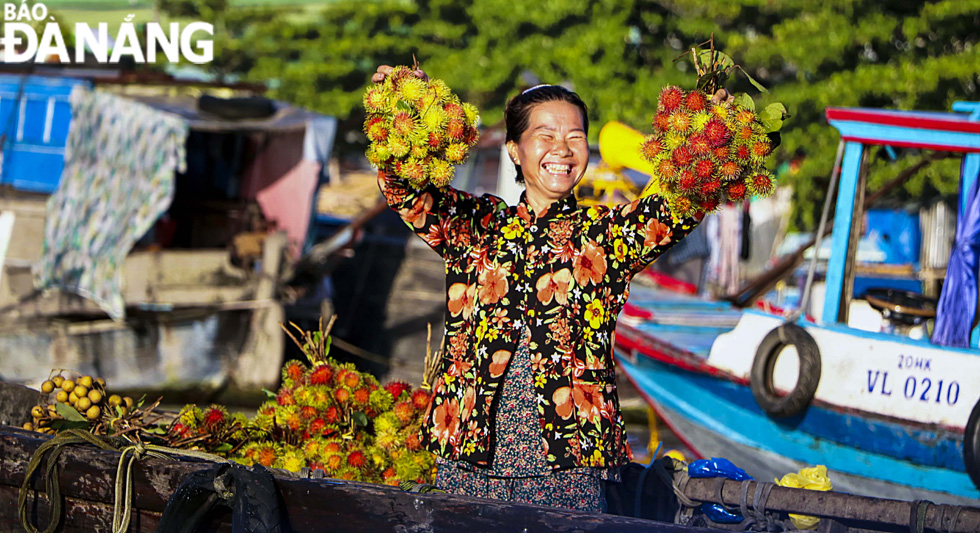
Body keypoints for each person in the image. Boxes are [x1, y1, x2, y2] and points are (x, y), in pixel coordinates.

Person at [373, 65, 704, 512]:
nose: (562, 150)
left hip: (569, 465)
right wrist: (402, 106)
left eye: (575, 137)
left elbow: (686, 200)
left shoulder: (608, 236)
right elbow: (405, 191)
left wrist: (709, 127)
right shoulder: (476, 226)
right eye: (545, 136)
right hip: (471, 454)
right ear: (515, 150)